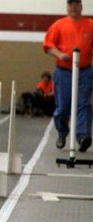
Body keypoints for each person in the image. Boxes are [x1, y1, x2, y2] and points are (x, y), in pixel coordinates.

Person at [44, 0, 93, 152]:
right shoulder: (59, 25)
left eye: (76, 4)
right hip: (63, 71)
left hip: (84, 71)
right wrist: (60, 54)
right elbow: (48, 46)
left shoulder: (90, 24)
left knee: (83, 104)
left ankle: (83, 136)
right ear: (67, 7)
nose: (73, 7)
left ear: (81, 6)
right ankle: (62, 132)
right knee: (63, 106)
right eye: (70, 4)